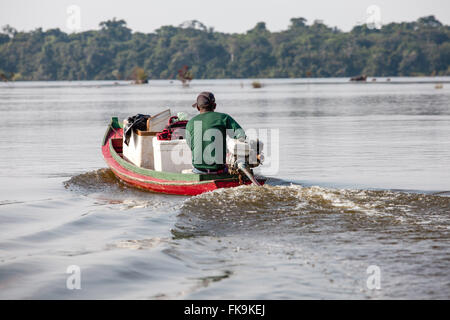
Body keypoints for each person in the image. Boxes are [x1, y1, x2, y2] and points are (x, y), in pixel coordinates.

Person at [186, 92, 245, 174]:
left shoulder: (190, 123)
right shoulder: (224, 118)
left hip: (199, 170)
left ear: (198, 108)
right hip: (219, 170)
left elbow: (190, 145)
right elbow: (241, 136)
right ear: (214, 106)